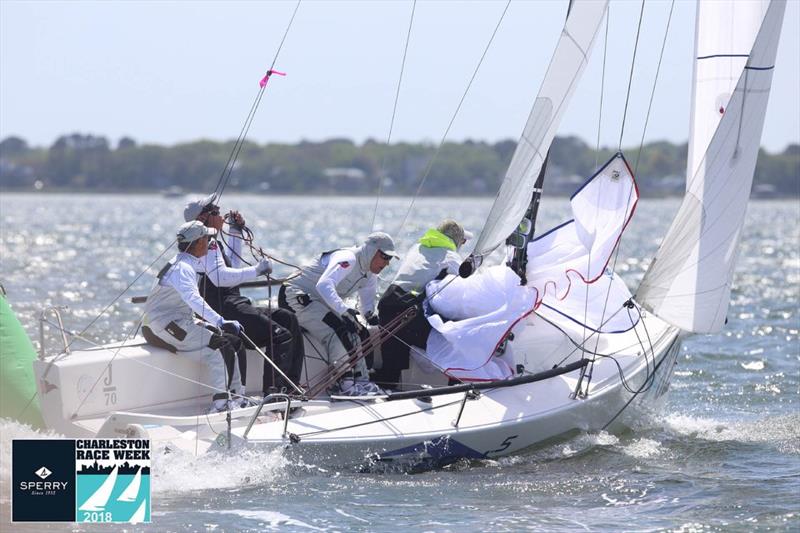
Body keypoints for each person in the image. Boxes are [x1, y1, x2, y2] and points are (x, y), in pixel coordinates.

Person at [184, 193, 305, 397]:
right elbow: (221, 278)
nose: (221, 213)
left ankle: (291, 387)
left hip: (234, 303)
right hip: (224, 308)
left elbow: (232, 266)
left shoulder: (212, 242)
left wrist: (235, 231)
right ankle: (274, 393)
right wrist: (258, 270)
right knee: (281, 335)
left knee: (288, 318)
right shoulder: (202, 244)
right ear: (202, 219)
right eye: (216, 211)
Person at [142, 221, 248, 412]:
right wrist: (220, 321)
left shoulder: (188, 263)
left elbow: (186, 304)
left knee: (234, 342)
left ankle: (237, 397)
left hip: (179, 321)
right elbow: (193, 299)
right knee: (221, 346)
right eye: (206, 238)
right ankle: (221, 405)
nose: (209, 242)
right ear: (198, 242)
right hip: (163, 325)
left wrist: (212, 323)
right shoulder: (182, 268)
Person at [282, 232, 398, 396]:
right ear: (372, 251)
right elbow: (324, 285)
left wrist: (370, 315)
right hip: (294, 296)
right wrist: (343, 310)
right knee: (336, 329)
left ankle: (362, 382)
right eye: (385, 257)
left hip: (321, 302)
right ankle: (346, 385)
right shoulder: (348, 258)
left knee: (355, 330)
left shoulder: (370, 272)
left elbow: (367, 303)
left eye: (390, 259)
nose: (387, 263)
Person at [373, 219, 473, 387]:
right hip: (408, 308)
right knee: (453, 344)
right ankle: (456, 388)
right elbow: (465, 289)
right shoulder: (451, 257)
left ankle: (385, 389)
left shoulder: (417, 247)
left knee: (391, 366)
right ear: (456, 240)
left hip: (388, 302)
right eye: (462, 241)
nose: (462, 244)